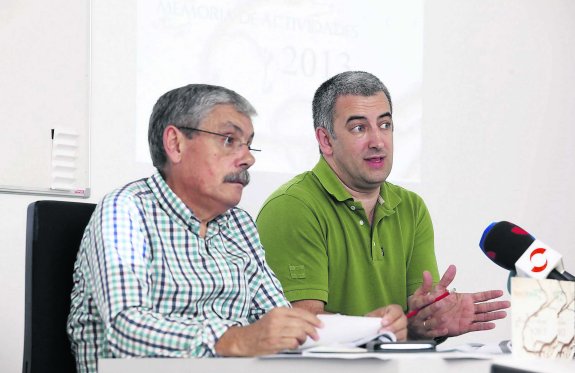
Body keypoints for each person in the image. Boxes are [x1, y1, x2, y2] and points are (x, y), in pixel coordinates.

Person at [67, 84, 329, 372]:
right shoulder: (127, 210)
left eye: (248, 144)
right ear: (176, 144)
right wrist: (236, 339)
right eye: (229, 140)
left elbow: (277, 317)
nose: (248, 158)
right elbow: (126, 329)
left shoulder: (239, 224)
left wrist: (368, 331)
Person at [256, 71, 510, 341]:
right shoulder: (292, 206)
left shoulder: (411, 207)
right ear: (326, 140)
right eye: (359, 128)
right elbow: (301, 329)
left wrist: (429, 320)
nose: (378, 141)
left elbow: (414, 321)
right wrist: (377, 329)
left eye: (385, 125)